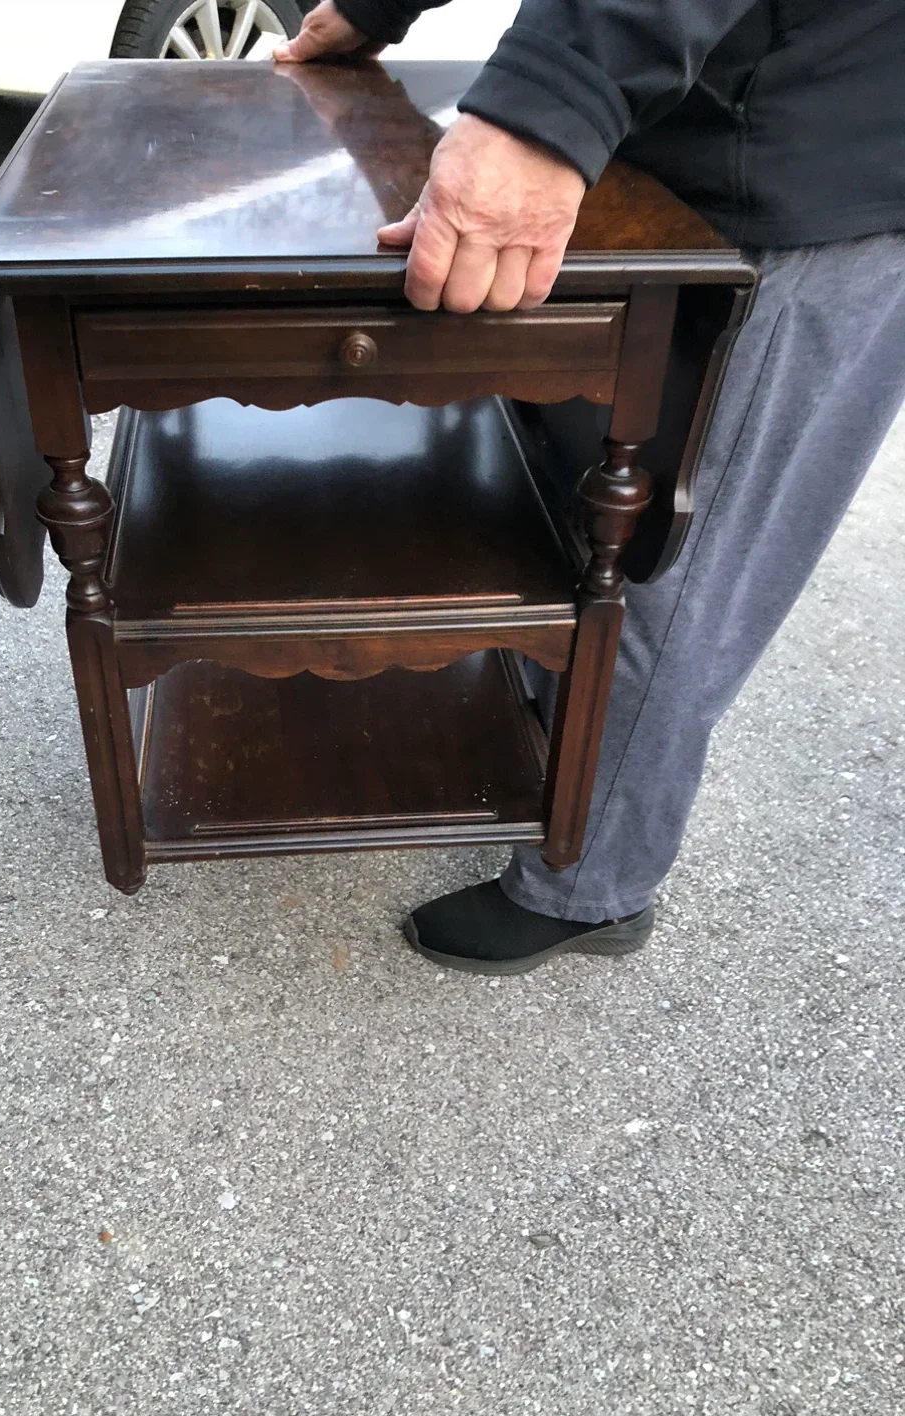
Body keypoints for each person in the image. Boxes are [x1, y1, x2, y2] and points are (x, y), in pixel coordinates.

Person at [275, 1, 905, 975]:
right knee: (571, 510)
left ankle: (590, 890)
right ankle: (547, 736)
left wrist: (549, 101)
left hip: (801, 169)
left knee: (674, 577)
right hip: (663, 145)